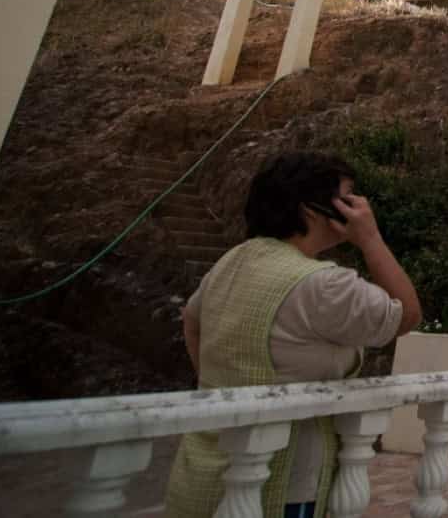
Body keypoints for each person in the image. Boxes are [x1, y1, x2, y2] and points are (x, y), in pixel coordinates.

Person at [165, 151, 423, 518]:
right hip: (286, 480)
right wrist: (370, 238)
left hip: (207, 464)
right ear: (313, 210)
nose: (358, 206)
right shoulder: (323, 285)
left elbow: (191, 321)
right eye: (347, 198)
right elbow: (407, 315)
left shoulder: (230, 262)